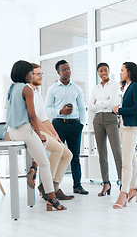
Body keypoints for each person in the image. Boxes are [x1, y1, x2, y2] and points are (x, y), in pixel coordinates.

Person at [6, 60, 66, 211]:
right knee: (45, 163)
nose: (32, 75)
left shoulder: (11, 88)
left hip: (13, 132)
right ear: (25, 74)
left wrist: (40, 137)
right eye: (31, 73)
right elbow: (32, 116)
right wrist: (39, 134)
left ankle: (33, 168)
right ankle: (51, 198)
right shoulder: (27, 89)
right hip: (25, 131)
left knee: (44, 143)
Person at [27, 63, 74, 201]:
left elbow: (44, 118)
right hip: (33, 130)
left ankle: (53, 186)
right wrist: (51, 135)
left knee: (68, 154)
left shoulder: (37, 93)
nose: (41, 76)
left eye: (42, 73)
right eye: (38, 74)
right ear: (30, 75)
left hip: (41, 127)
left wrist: (56, 135)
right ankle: (47, 188)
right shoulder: (27, 91)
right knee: (58, 149)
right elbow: (34, 119)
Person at [45, 60, 89, 195]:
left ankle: (77, 185)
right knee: (56, 155)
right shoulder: (52, 89)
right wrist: (60, 112)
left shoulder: (76, 88)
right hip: (58, 125)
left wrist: (81, 124)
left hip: (75, 125)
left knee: (75, 156)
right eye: (64, 69)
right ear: (58, 72)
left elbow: (82, 107)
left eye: (69, 69)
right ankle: (50, 187)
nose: (68, 71)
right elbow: (47, 109)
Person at [112, 61, 137, 209]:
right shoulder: (127, 86)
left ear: (129, 72)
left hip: (131, 128)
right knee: (131, 159)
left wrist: (119, 110)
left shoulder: (135, 86)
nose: (120, 73)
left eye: (122, 70)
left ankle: (123, 193)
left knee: (125, 162)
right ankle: (133, 189)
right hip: (124, 127)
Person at [89, 62, 122, 197]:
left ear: (109, 71)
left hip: (110, 118)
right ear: (98, 73)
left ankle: (122, 182)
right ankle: (106, 183)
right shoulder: (95, 88)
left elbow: (111, 102)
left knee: (117, 151)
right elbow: (91, 105)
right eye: (101, 71)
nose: (103, 73)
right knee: (102, 154)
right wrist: (102, 104)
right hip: (97, 120)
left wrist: (99, 104)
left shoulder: (114, 85)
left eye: (105, 70)